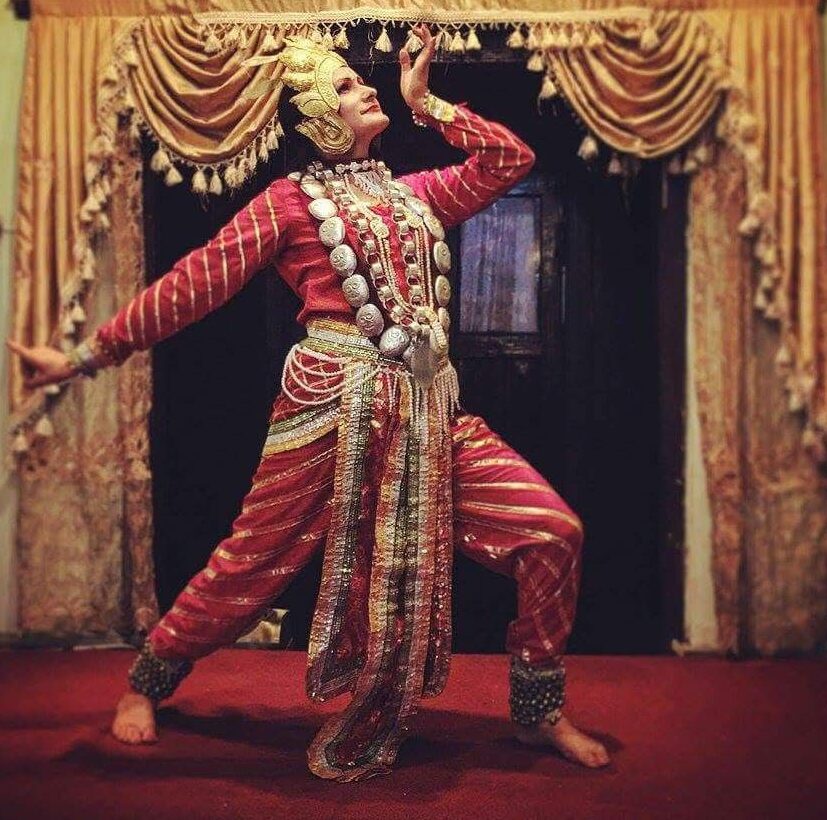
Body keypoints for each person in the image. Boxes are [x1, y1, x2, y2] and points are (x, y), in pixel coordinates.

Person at [7, 24, 609, 781]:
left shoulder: (416, 195)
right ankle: (148, 678)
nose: (367, 88)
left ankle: (536, 709)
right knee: (250, 563)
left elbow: (508, 159)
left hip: (428, 414)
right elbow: (195, 282)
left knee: (551, 531)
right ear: (321, 117)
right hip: (331, 408)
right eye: (349, 87)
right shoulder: (289, 204)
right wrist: (87, 356)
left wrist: (427, 103)